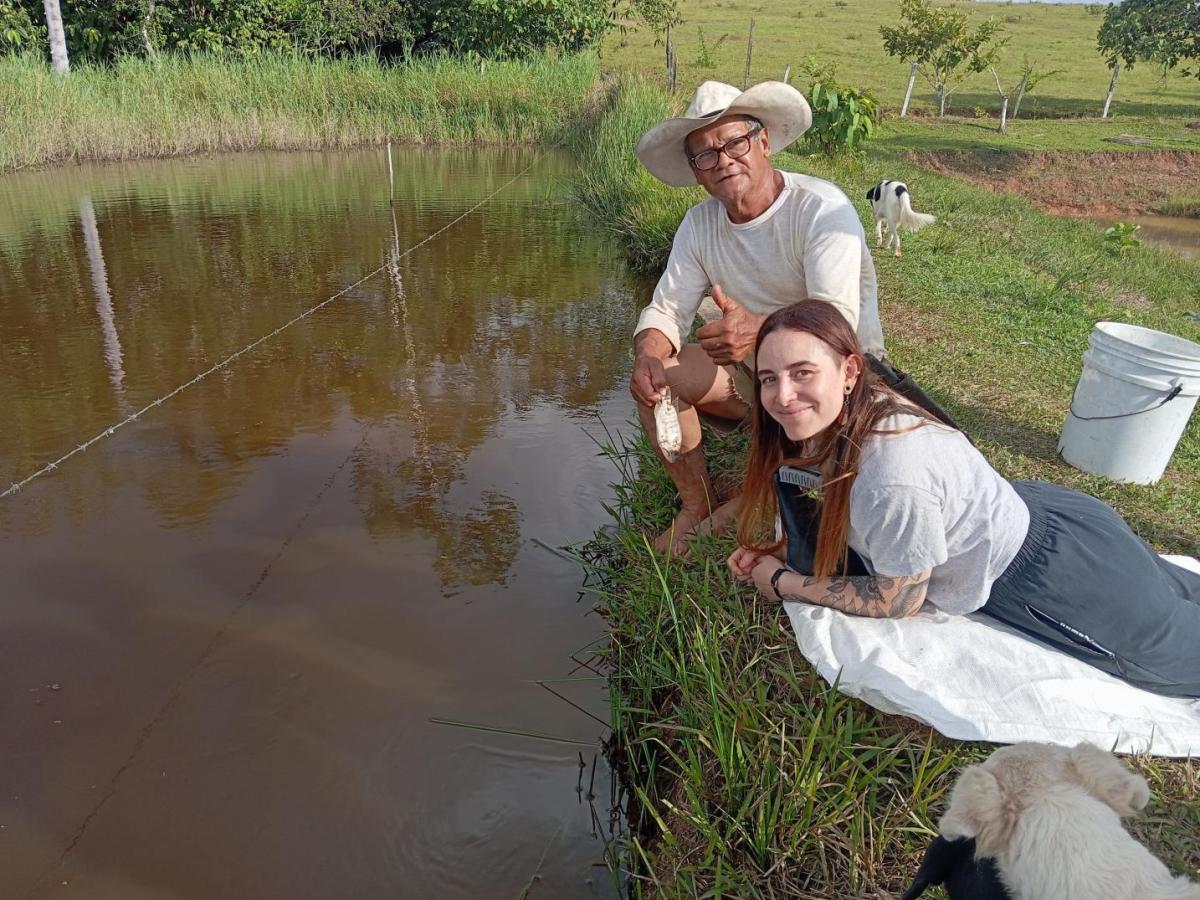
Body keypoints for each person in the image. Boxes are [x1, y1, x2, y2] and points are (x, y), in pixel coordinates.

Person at [728, 299, 1200, 698]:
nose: (783, 396)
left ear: (849, 370)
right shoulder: (855, 412)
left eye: (802, 372)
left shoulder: (891, 473)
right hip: (1054, 512)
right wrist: (781, 551)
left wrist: (783, 581)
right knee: (1182, 591)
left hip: (1049, 578)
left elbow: (899, 600)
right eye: (768, 378)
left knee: (1183, 662)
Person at [631, 79, 943, 556]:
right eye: (706, 154)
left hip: (833, 375)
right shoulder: (699, 225)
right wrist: (649, 353)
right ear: (696, 171)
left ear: (763, 142)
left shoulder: (822, 208)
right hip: (751, 372)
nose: (724, 160)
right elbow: (667, 309)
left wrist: (760, 330)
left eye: (734, 142)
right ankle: (696, 503)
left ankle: (750, 495)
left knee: (789, 478)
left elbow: (833, 320)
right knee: (660, 383)